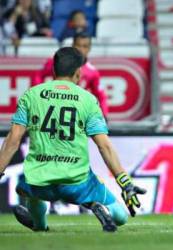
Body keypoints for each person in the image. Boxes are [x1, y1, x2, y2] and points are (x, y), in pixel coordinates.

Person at [0, 47, 146, 232]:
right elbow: (104, 146)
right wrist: (125, 182)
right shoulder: (88, 100)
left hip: (39, 179)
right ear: (79, 72)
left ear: (54, 70)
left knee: (30, 192)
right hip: (76, 181)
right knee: (120, 217)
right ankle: (95, 205)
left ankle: (40, 226)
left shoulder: (31, 95)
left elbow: (13, 139)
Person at [34, 32, 109, 118]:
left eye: (84, 46)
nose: (81, 49)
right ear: (72, 45)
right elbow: (38, 75)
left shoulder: (92, 71)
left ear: (89, 49)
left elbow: (101, 96)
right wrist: (39, 94)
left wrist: (104, 115)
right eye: (78, 45)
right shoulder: (58, 61)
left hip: (77, 113)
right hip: (55, 108)